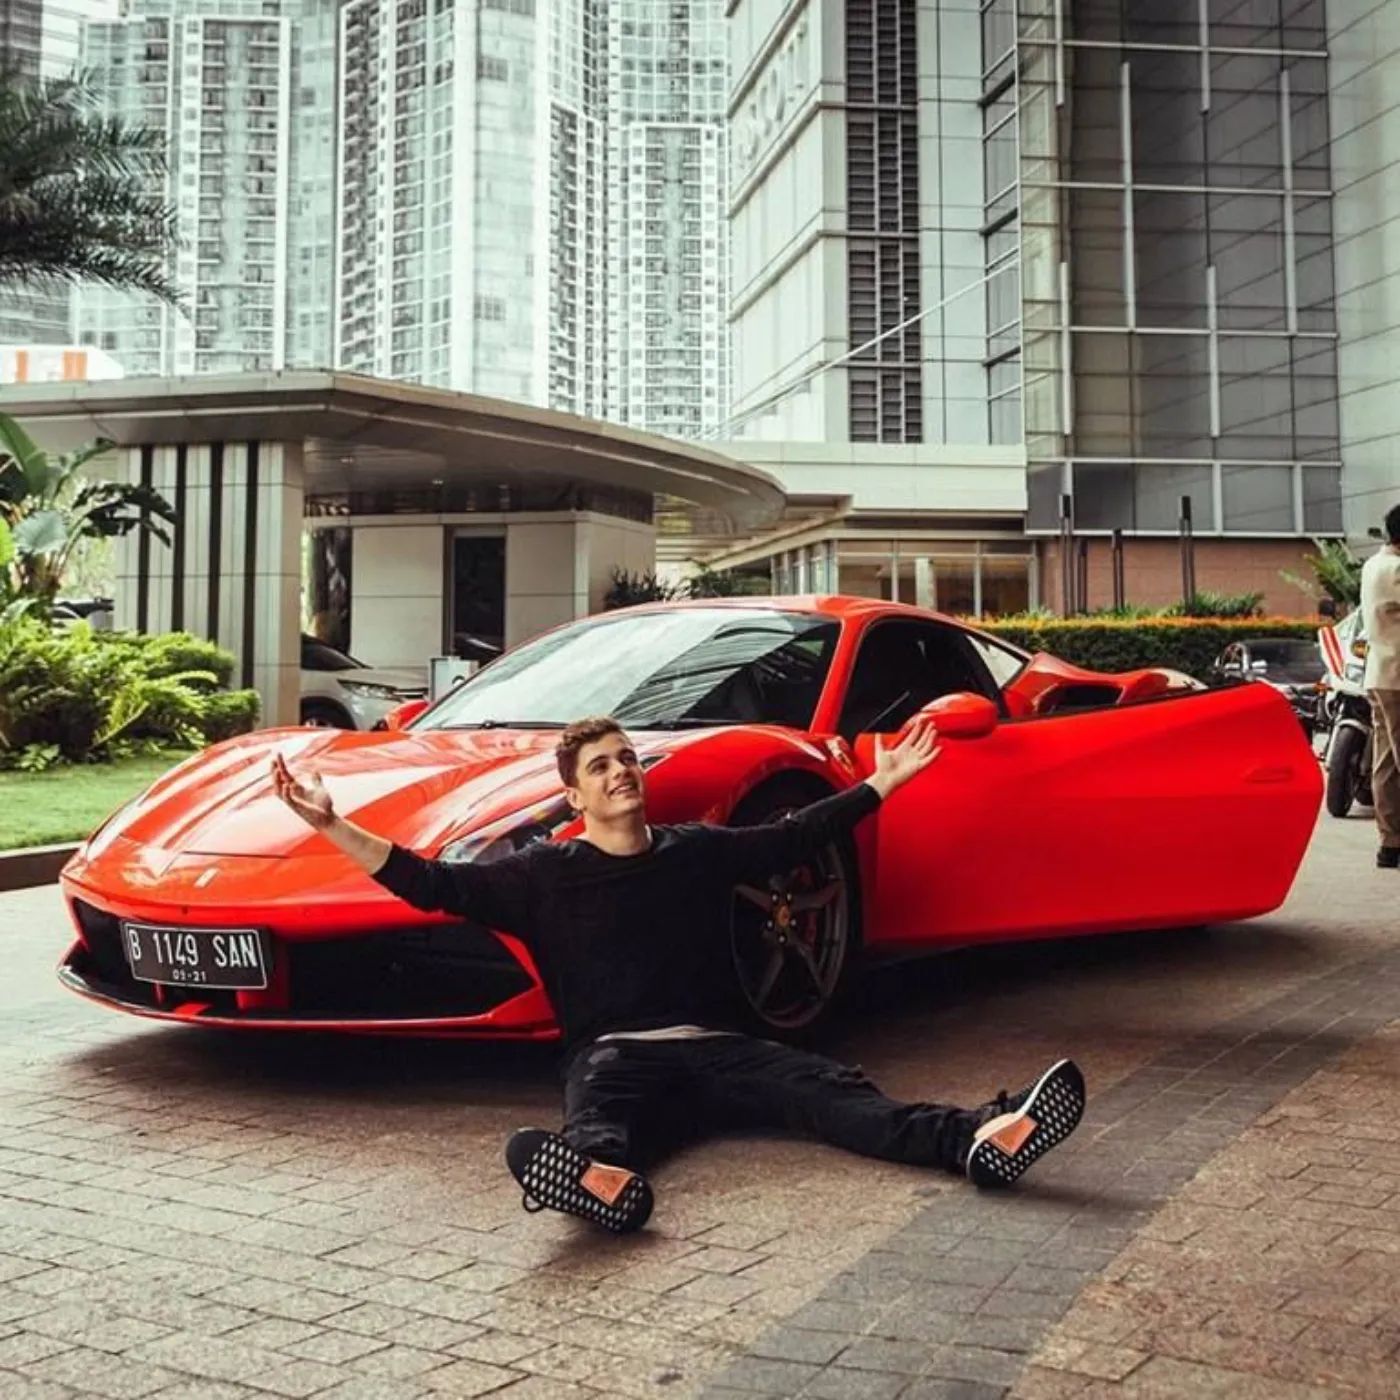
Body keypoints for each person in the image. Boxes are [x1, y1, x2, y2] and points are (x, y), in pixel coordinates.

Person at [272, 716, 1085, 1234]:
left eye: (627, 759)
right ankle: (603, 1183)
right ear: (574, 796)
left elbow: (793, 836)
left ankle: (979, 1138)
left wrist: (881, 783)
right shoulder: (541, 876)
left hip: (722, 1049)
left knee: (836, 1094)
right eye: (600, 766)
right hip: (617, 1056)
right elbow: (430, 884)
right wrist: (330, 822)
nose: (621, 771)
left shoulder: (694, 850)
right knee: (599, 1118)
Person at [1361, 503, 1400, 869]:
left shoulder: (1373, 564)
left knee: (1385, 762)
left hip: (1379, 674)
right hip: (1398, 677)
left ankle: (1390, 844)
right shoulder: (1397, 568)